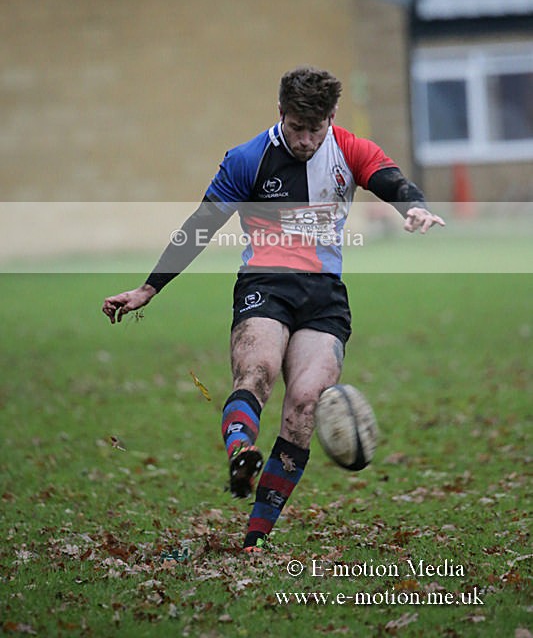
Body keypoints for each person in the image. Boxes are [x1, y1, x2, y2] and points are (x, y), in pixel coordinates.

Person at [102, 66, 445, 552]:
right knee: (258, 369)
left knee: (306, 403)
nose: (305, 139)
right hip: (265, 284)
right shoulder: (247, 160)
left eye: (315, 128)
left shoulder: (349, 149)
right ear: (279, 113)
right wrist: (148, 288)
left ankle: (255, 538)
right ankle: (241, 451)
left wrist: (413, 205)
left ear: (332, 117)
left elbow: (390, 179)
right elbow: (201, 224)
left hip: (324, 295)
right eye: (296, 127)